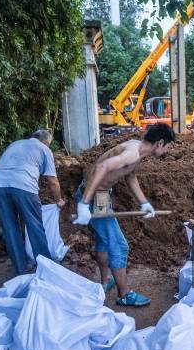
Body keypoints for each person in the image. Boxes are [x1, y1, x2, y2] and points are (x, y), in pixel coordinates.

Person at [73, 123, 175, 307]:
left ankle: (105, 282)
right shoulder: (132, 152)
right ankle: (124, 295)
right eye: (168, 146)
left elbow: (130, 176)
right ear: (160, 143)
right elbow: (101, 167)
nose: (167, 150)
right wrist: (84, 204)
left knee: (104, 241)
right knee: (119, 246)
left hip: (101, 195)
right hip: (94, 196)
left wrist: (144, 203)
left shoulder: (137, 150)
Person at [0, 130, 65, 275]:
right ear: (45, 142)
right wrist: (59, 200)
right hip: (23, 186)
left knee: (10, 228)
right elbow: (52, 181)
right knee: (35, 225)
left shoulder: (15, 144)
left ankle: (21, 268)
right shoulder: (44, 149)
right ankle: (45, 267)